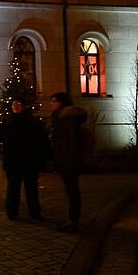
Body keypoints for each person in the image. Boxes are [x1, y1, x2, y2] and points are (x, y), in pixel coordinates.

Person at [0, 97, 49, 222]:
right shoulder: (7, 122)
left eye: (18, 104)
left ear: (24, 106)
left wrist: (44, 158)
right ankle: (12, 211)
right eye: (13, 104)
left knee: (31, 188)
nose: (15, 106)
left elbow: (42, 140)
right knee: (13, 187)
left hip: (30, 160)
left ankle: (34, 212)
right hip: (12, 161)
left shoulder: (32, 122)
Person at [49, 92, 88, 233]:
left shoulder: (66, 118)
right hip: (64, 158)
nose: (51, 103)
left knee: (72, 191)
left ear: (61, 103)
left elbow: (72, 141)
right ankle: (72, 219)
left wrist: (69, 158)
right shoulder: (60, 116)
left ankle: (74, 220)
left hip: (68, 160)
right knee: (70, 190)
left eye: (54, 101)